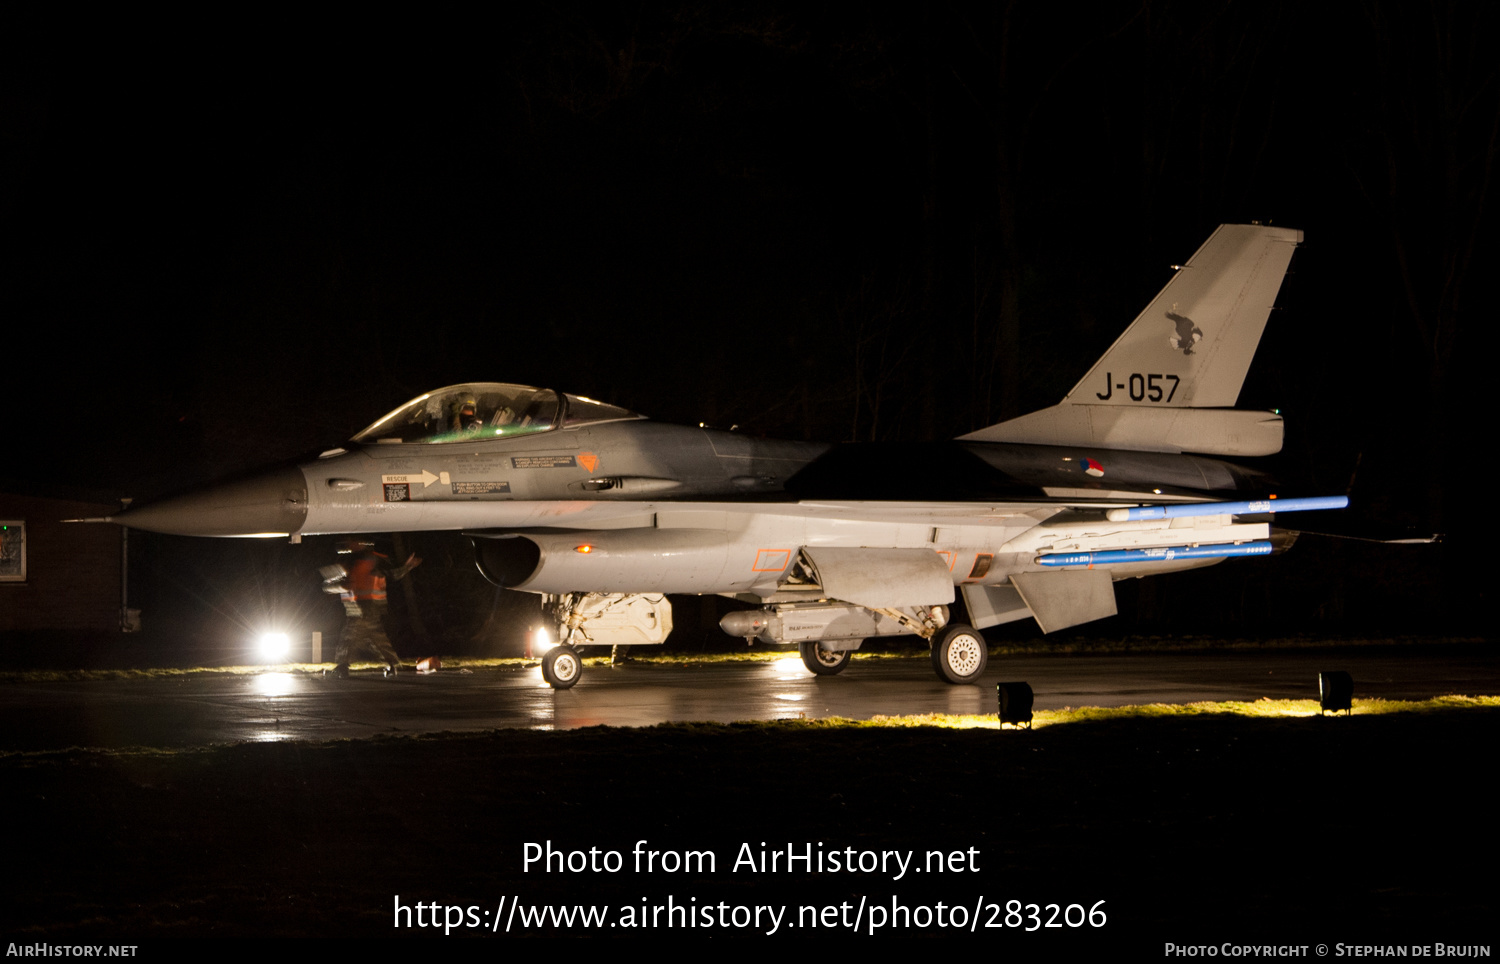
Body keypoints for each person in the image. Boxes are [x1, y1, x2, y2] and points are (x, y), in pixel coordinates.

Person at [330, 539, 421, 678]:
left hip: (364, 606)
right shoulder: (357, 560)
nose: (350, 545)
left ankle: (342, 666)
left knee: (349, 637)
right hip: (363, 606)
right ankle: (392, 665)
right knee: (376, 638)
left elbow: (392, 574)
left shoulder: (369, 560)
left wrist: (408, 566)